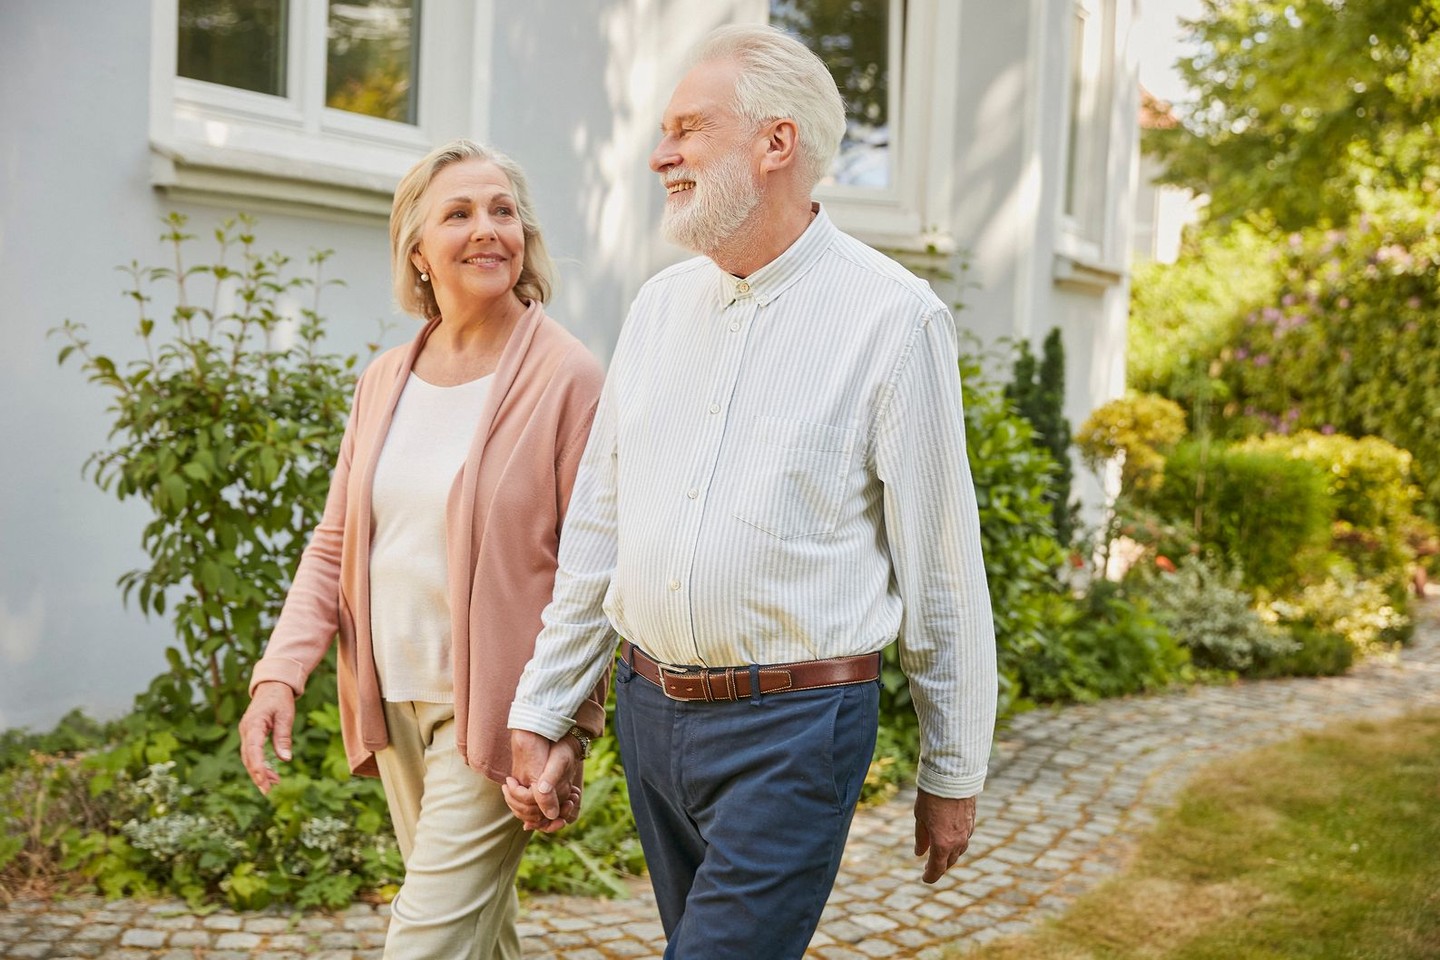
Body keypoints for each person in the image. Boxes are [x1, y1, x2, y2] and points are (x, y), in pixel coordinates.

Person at [503, 24, 999, 960]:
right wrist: (547, 707)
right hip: (651, 719)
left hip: (796, 730)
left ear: (776, 144)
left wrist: (952, 765)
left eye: (688, 129)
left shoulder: (894, 319)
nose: (661, 155)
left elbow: (940, 563)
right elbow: (602, 531)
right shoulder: (657, 310)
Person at [238, 139, 607, 960]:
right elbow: (336, 544)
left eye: (503, 211)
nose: (488, 230)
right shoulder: (384, 380)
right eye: (460, 213)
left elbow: (594, 568)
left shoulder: (568, 377)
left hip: (502, 717)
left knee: (424, 943)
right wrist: (279, 673)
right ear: (417, 249)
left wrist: (569, 727)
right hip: (393, 700)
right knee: (478, 937)